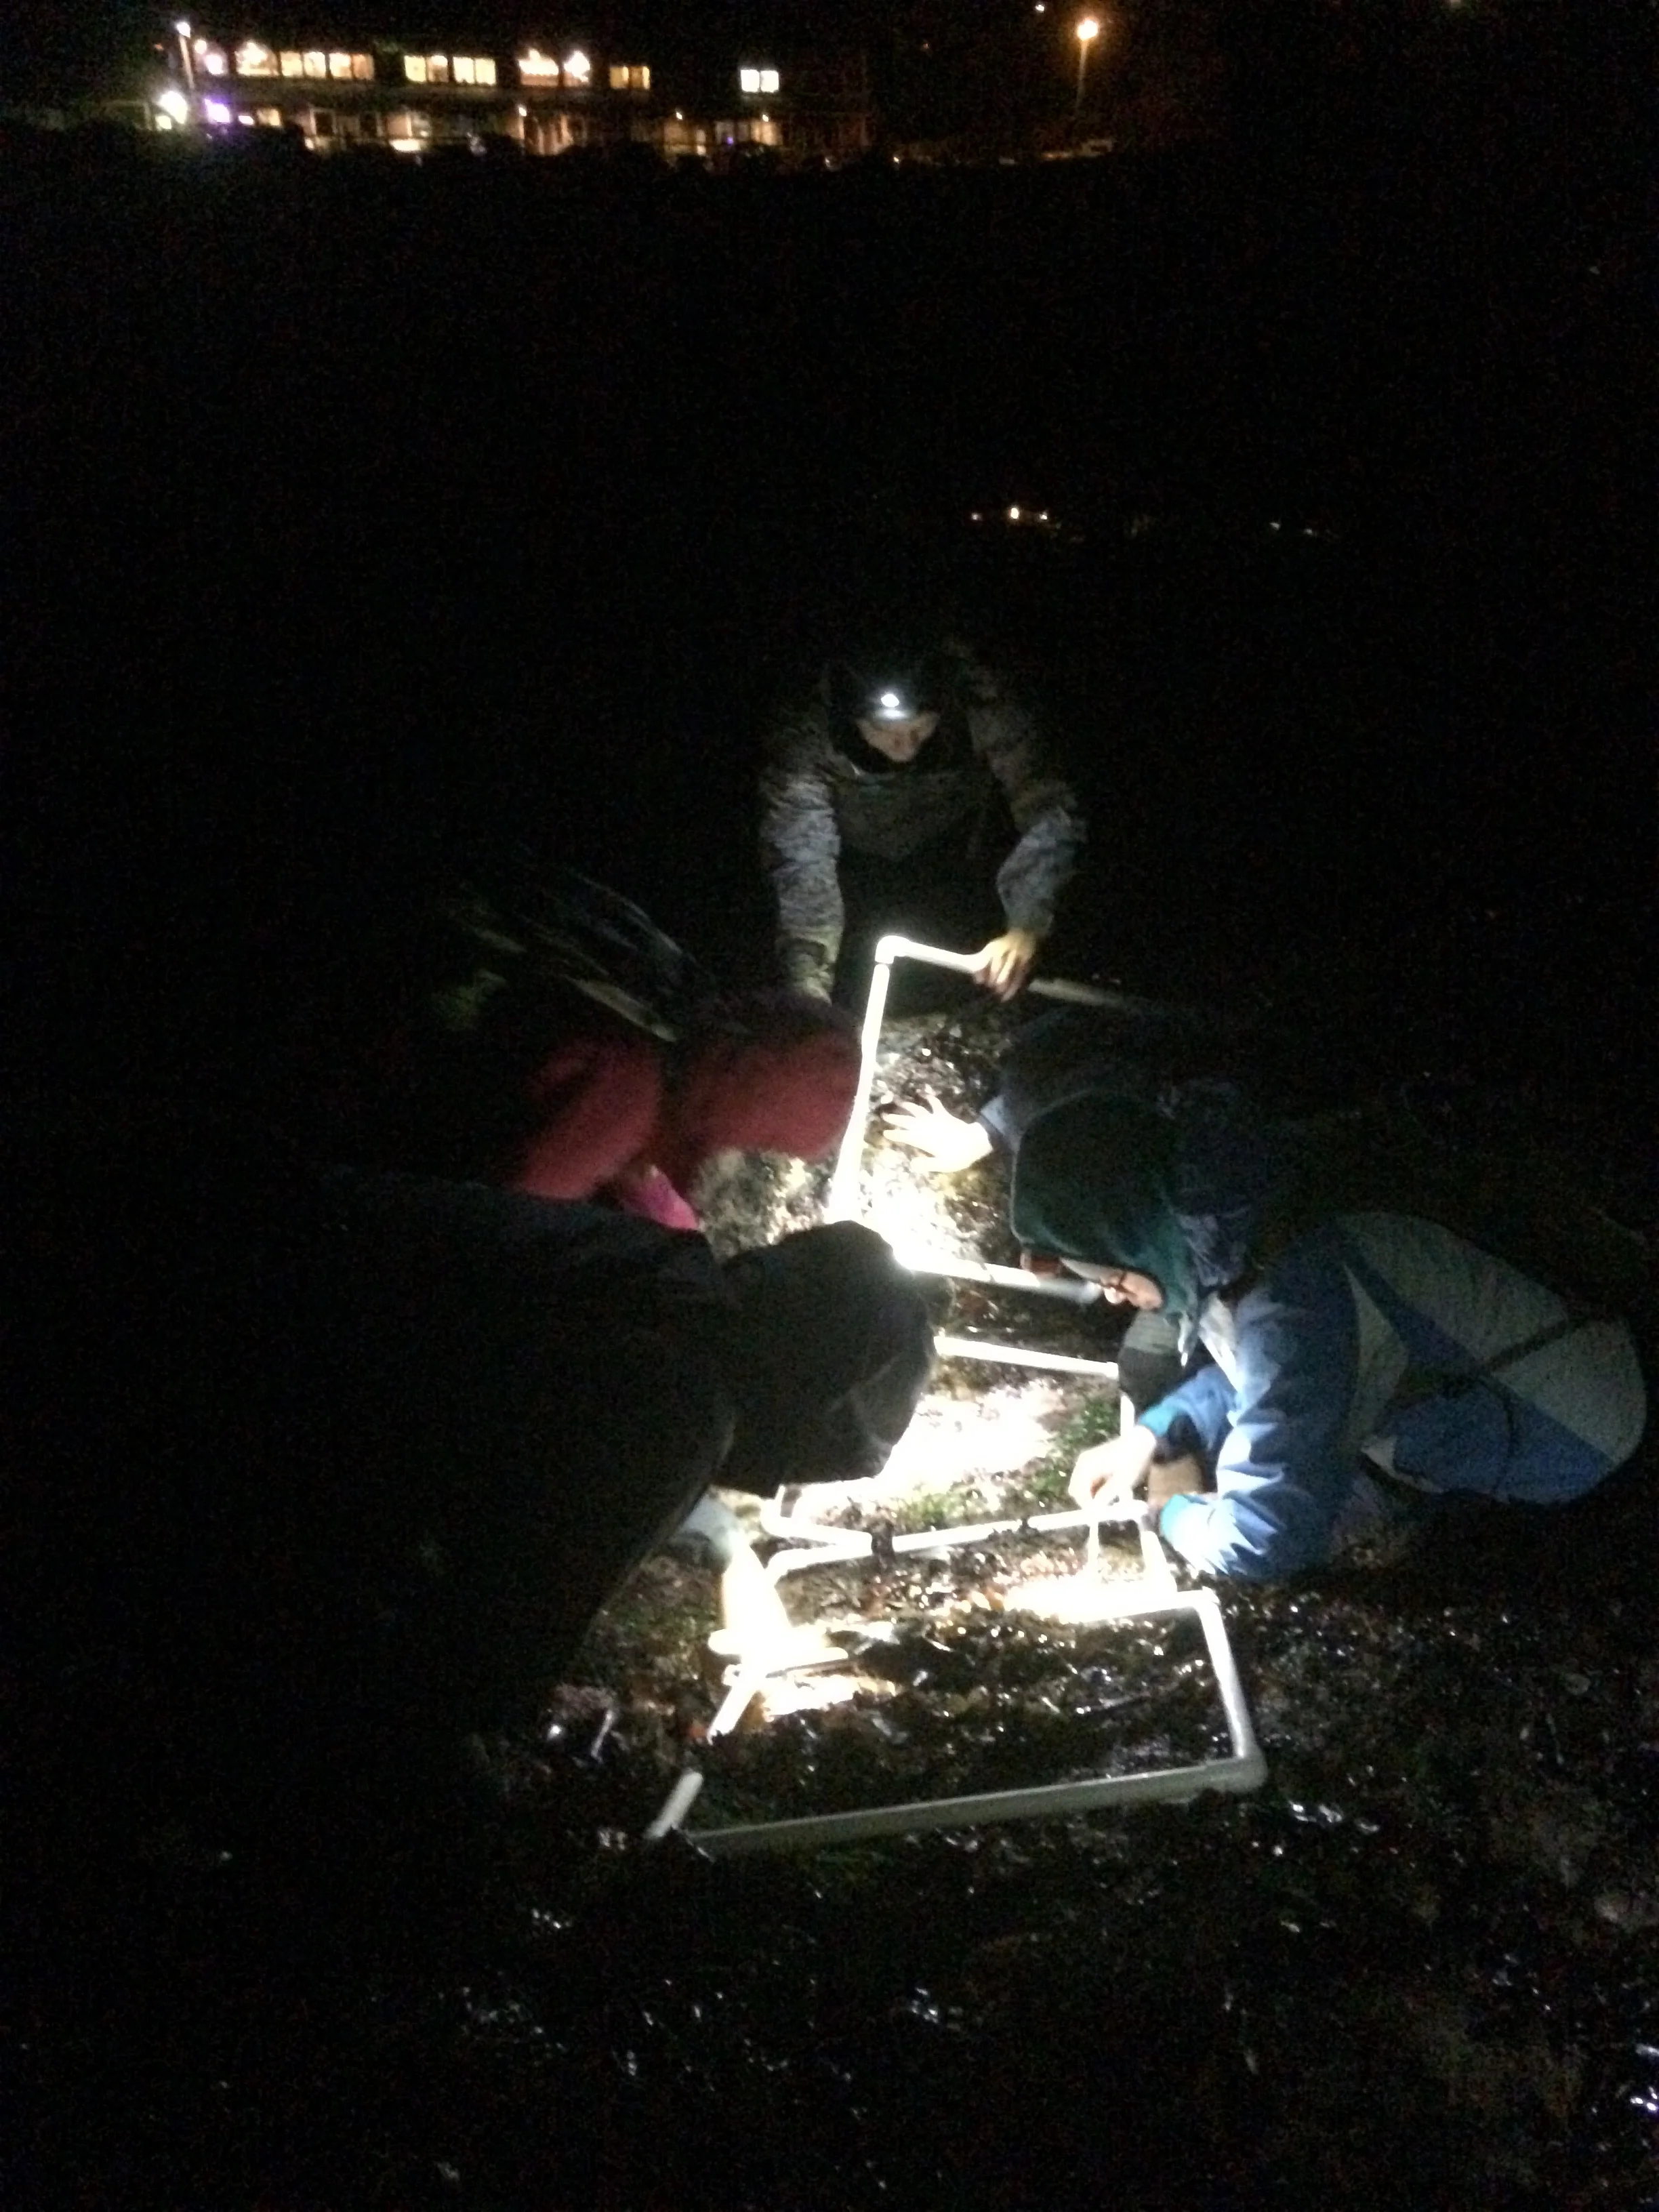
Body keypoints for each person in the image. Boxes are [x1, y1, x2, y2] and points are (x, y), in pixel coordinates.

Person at [12, 1101, 935, 1870]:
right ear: (805, 1397)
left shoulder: (660, 1275)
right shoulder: (682, 1404)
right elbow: (478, 1659)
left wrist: (726, 1547)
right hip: (184, 1405)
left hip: (191, 1242)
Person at [1009, 1084, 1648, 1580]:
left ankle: (1431, 1512)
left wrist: (1171, 1511)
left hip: (1577, 1441)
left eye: (1114, 1276)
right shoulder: (1239, 1225)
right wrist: (1154, 1432)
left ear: (1142, 1235)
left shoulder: (1293, 1298)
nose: (1116, 1297)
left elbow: (1263, 1538)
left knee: (1306, 1505)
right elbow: (1254, 1373)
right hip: (1534, 1370)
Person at [324, 867, 863, 1230]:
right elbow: (498, 1240)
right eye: (769, 1140)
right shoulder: (625, 1091)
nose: (752, 1153)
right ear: (752, 1083)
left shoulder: (676, 993)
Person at [758, 634, 1086, 1004]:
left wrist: (1028, 924)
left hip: (957, 860)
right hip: (855, 869)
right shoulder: (807, 733)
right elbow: (802, 859)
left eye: (920, 727)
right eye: (882, 730)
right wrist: (806, 988)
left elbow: (1050, 807)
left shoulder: (983, 703)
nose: (907, 746)